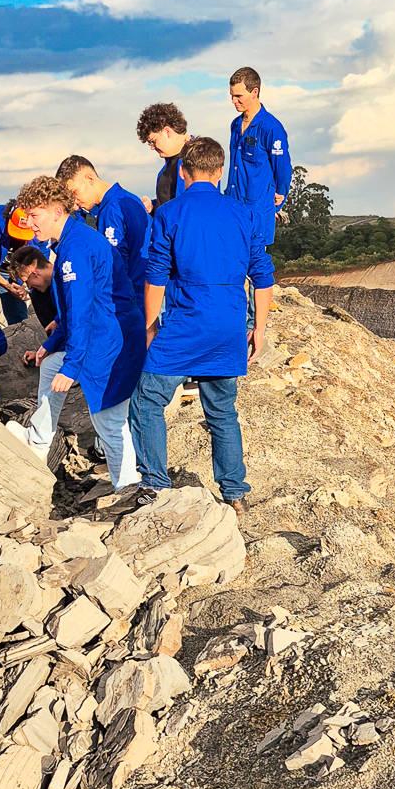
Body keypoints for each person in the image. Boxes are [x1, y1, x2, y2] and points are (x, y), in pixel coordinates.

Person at [129, 134, 273, 515]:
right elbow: (263, 278)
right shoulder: (245, 214)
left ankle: (155, 484)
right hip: (228, 326)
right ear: (221, 171)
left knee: (146, 400)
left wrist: (149, 328)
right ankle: (234, 493)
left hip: (186, 325)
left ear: (183, 171)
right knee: (222, 411)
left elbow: (155, 279)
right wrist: (258, 328)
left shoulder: (169, 213)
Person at [16, 175, 143, 491]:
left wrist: (72, 366)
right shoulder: (74, 240)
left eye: (35, 215)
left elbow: (82, 310)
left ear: (57, 211)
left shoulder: (75, 250)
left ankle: (127, 489)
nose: (29, 223)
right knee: (50, 365)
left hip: (108, 340)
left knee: (108, 422)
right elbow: (74, 310)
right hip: (108, 333)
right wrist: (52, 343)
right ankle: (39, 439)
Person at [57, 154, 150, 299]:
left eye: (74, 192)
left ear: (89, 178)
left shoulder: (111, 210)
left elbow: (116, 264)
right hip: (146, 289)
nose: (74, 201)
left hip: (130, 297)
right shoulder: (129, 198)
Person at [225, 66, 292, 251]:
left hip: (257, 213)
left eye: (238, 96)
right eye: (232, 96)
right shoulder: (235, 125)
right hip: (233, 210)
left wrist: (277, 201)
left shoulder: (271, 128)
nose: (233, 101)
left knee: (256, 263)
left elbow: (282, 170)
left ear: (254, 92)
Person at [137, 101, 191, 214]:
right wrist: (153, 206)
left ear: (167, 131)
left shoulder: (198, 158)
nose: (152, 148)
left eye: (153, 141)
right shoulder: (171, 161)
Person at [10, 243, 58, 336]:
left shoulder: (70, 279)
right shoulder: (38, 296)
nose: (28, 287)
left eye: (26, 282)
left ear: (34, 273)